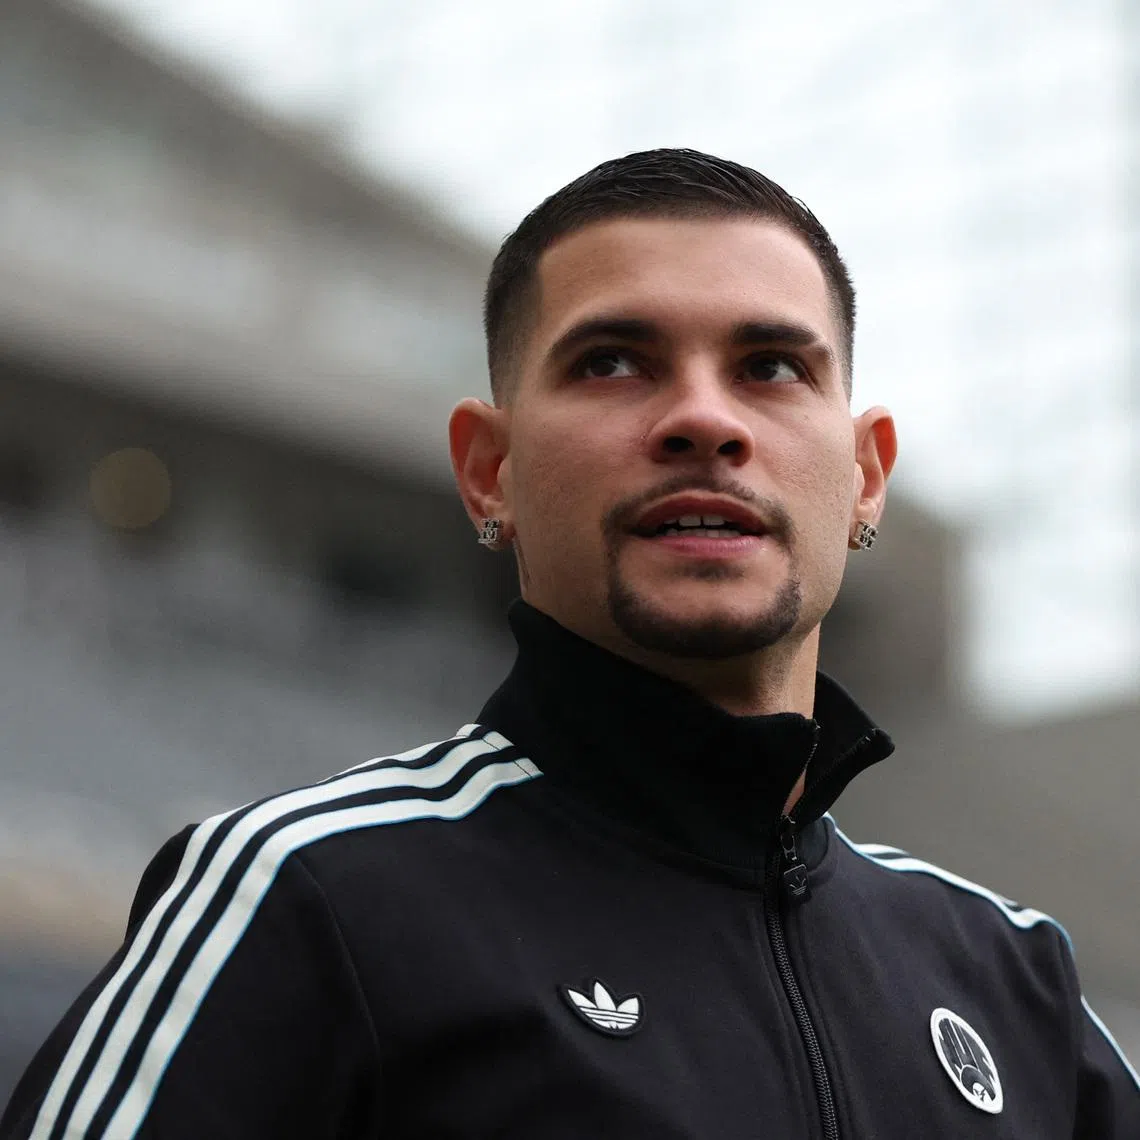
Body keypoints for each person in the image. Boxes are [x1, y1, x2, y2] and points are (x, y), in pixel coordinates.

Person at [2, 148, 1137, 1139]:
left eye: (771, 367)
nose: (705, 419)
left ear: (866, 476)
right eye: (613, 362)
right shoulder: (308, 894)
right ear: (489, 470)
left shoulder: (1014, 982)